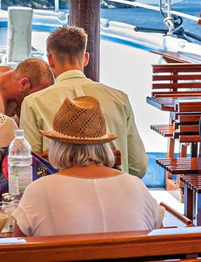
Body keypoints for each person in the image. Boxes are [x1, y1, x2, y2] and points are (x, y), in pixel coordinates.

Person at [12, 96, 164, 237]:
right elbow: (161, 244)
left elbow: (16, 249)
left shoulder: (39, 190)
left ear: (57, 146)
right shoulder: (136, 186)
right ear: (104, 145)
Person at [20, 26, 147, 178]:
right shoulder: (120, 98)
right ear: (86, 58)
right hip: (114, 191)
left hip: (59, 195)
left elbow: (31, 166)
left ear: (50, 60)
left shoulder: (33, 102)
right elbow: (138, 167)